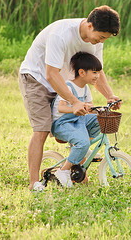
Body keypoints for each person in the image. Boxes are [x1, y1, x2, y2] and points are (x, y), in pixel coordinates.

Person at [18, 5, 122, 191]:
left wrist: (109, 95)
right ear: (90, 26)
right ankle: (34, 182)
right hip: (37, 78)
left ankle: (75, 159)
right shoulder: (61, 34)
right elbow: (51, 74)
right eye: (101, 37)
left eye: (105, 39)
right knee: (42, 129)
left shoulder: (96, 41)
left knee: (86, 120)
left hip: (65, 83)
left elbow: (95, 72)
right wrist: (74, 101)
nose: (101, 41)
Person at [51, 52, 103, 188]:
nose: (98, 76)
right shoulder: (69, 87)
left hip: (78, 120)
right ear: (82, 72)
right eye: (95, 72)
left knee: (100, 119)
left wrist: (101, 109)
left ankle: (84, 148)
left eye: (98, 72)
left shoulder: (85, 88)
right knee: (82, 142)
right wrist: (75, 108)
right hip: (63, 122)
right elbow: (61, 108)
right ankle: (64, 170)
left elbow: (90, 108)